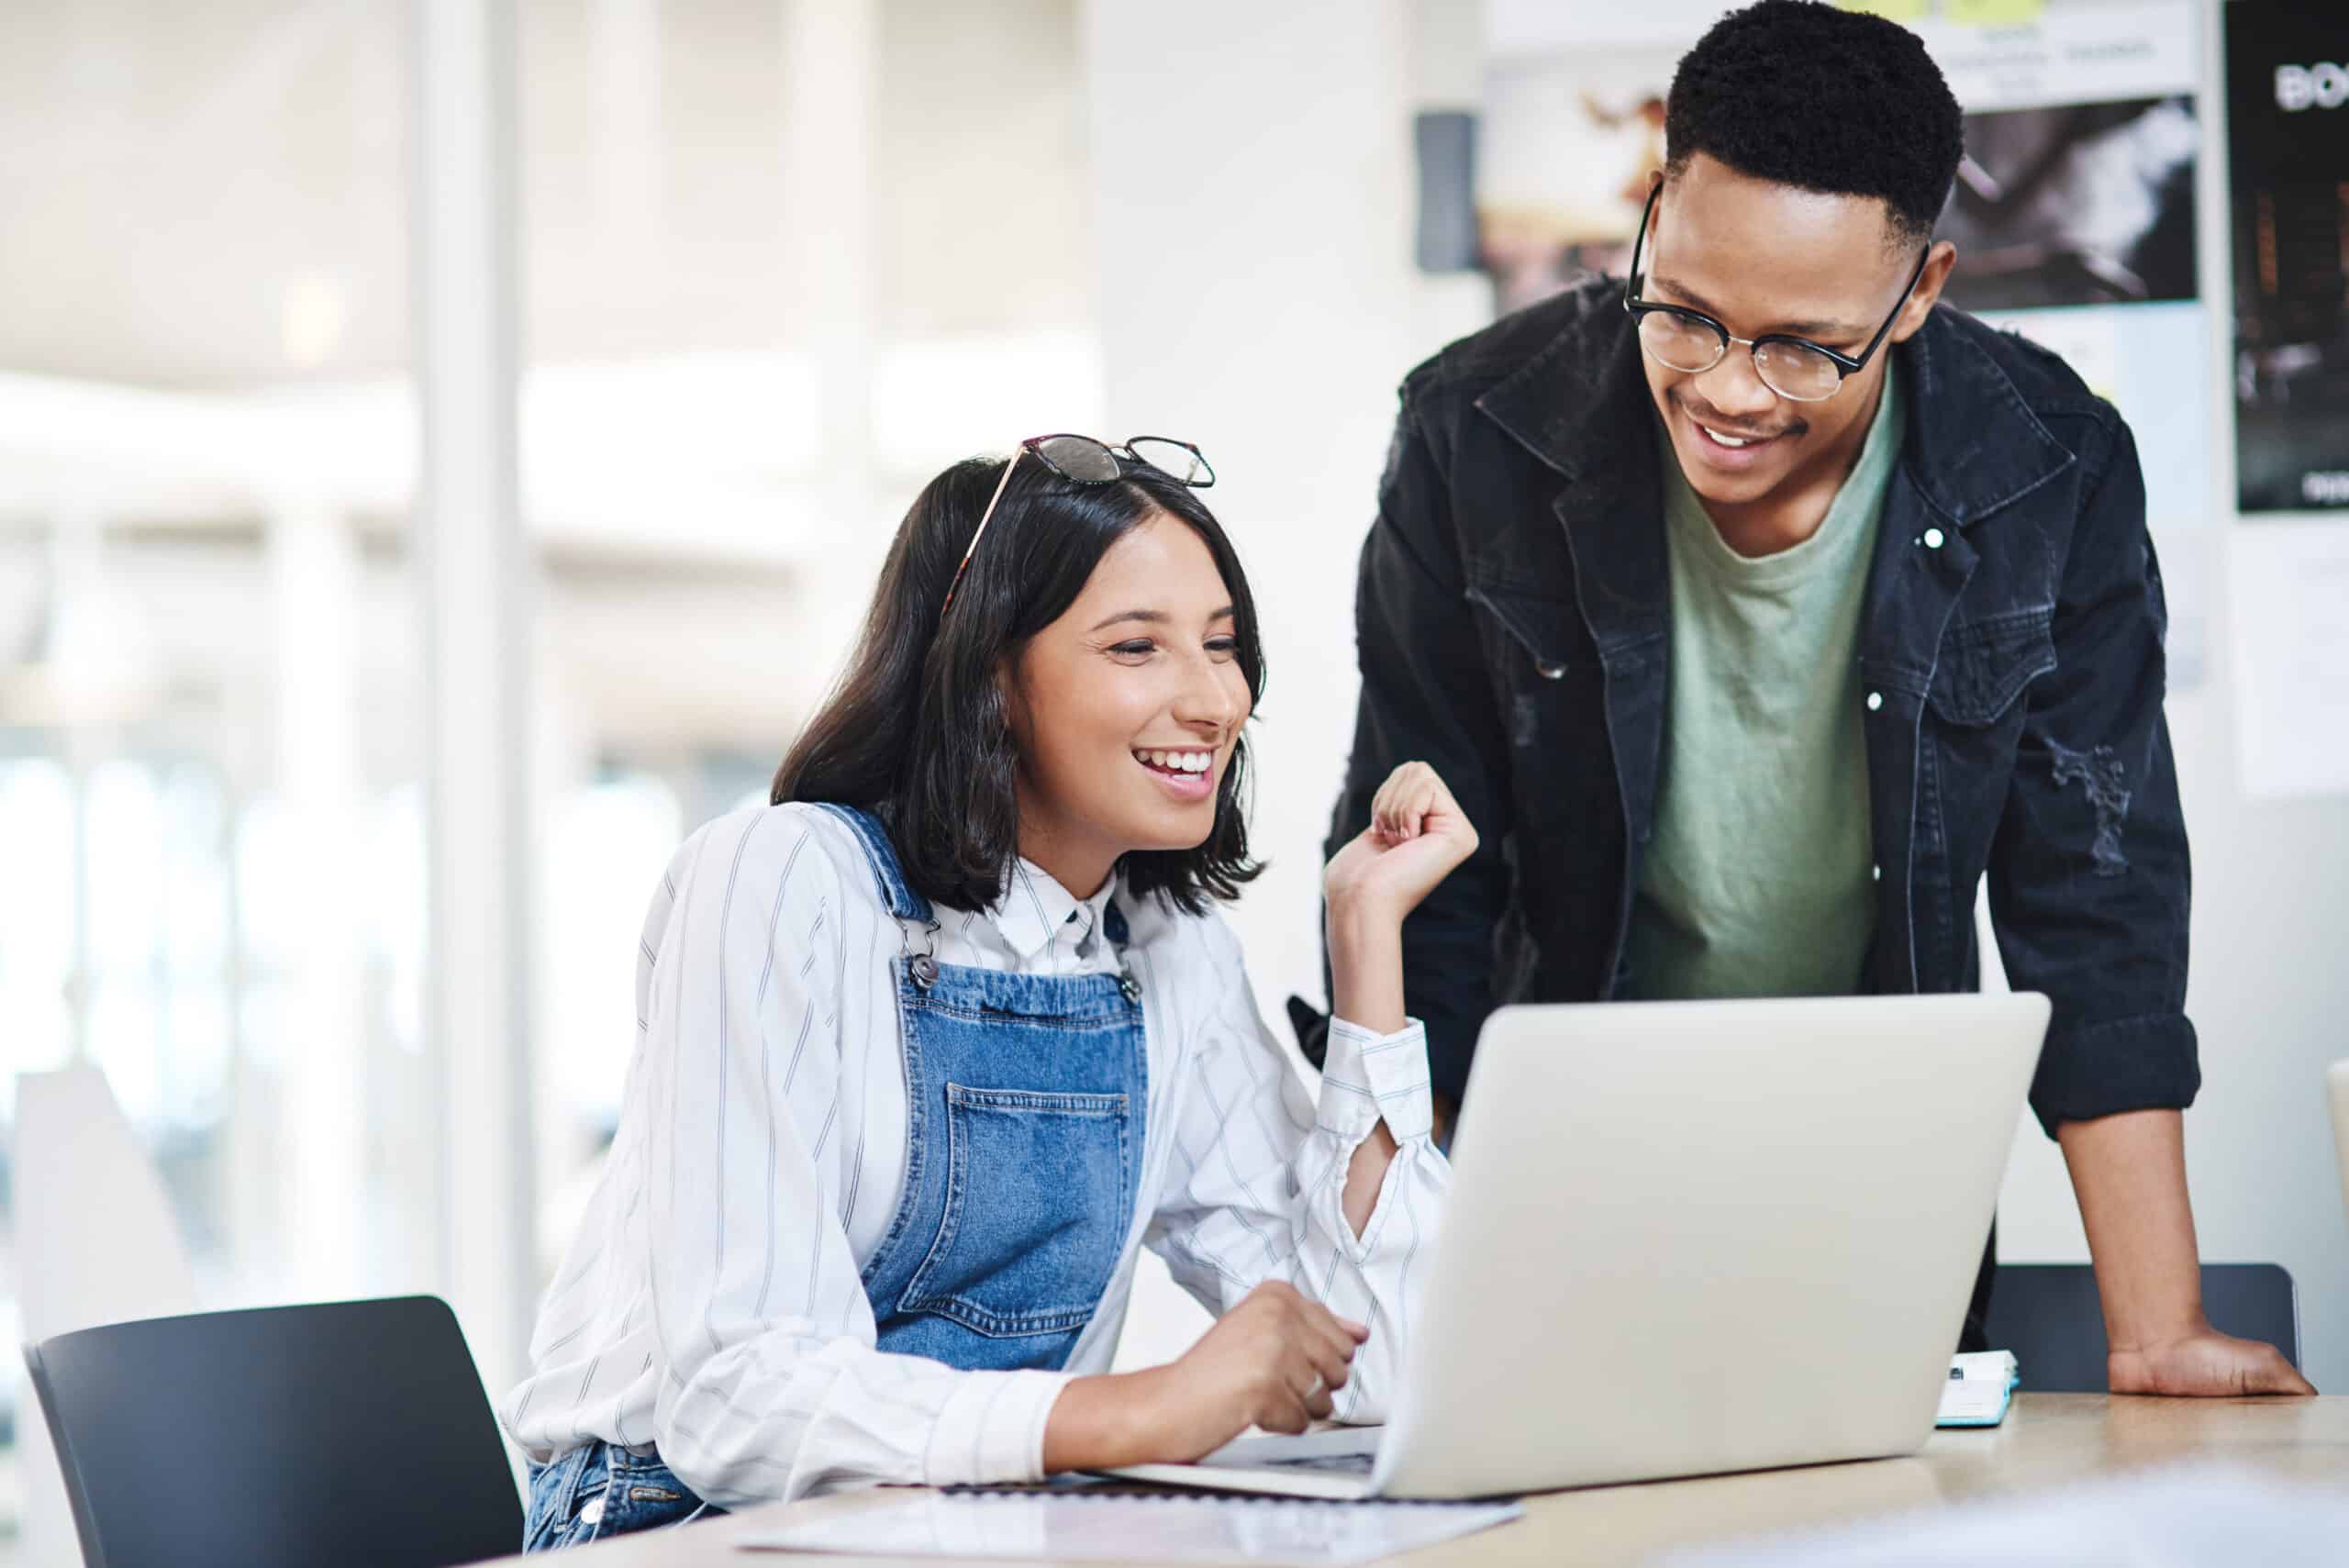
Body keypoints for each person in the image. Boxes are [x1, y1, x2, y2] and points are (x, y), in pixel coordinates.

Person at [1317, 0, 2312, 1396]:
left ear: (1921, 291)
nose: (1727, 389)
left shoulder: (2047, 466)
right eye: (1688, 312)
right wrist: (1388, 1312)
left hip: (1879, 1194)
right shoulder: (1475, 434)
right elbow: (1429, 902)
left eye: (1803, 345)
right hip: (1550, 1178)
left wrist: (2153, 1331)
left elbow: (2097, 905)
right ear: (1656, 203)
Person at [504, 435, 1473, 1548]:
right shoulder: (782, 880)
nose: (1213, 699)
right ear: (992, 677)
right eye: (1135, 646)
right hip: (675, 1528)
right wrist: (1128, 1410)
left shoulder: (1164, 947)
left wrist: (1368, 946)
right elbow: (737, 1392)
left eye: (1220, 645)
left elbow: (1374, 1357)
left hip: (957, 1532)